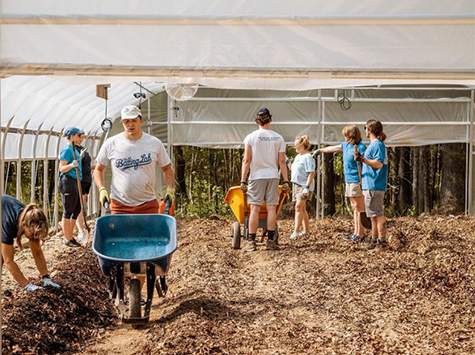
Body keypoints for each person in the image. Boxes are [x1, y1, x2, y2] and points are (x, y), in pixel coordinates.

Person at [94, 105, 175, 215]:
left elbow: (167, 169)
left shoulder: (154, 143)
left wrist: (170, 188)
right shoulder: (111, 143)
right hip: (119, 205)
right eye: (126, 121)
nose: (130, 125)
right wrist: (102, 189)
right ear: (122, 123)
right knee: (119, 233)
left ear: (140, 120)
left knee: (148, 232)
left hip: (147, 205)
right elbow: (98, 170)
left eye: (134, 120)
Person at [240, 107, 289, 251]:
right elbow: (281, 161)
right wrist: (285, 180)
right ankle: (271, 241)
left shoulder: (251, 137)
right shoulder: (278, 138)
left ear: (257, 120)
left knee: (254, 208)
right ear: (270, 119)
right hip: (273, 176)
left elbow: (246, 160)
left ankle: (251, 242)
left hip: (256, 176)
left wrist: (243, 180)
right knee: (271, 208)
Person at [314, 125, 367, 242]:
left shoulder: (360, 147)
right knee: (354, 207)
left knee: (359, 207)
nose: (344, 137)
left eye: (346, 134)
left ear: (350, 135)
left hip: (357, 180)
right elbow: (332, 148)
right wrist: (320, 150)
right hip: (349, 180)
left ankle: (361, 233)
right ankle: (356, 232)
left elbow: (366, 162)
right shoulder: (345, 145)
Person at [1, 194, 60, 291]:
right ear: (23, 225)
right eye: (33, 234)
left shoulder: (31, 218)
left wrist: (46, 277)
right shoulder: (8, 222)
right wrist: (27, 285)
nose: (34, 238)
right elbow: (8, 261)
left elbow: (37, 252)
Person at [356, 120, 388, 248]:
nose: (364, 130)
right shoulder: (373, 145)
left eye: (365, 128)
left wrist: (363, 160)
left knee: (378, 214)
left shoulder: (378, 145)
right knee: (372, 215)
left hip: (375, 184)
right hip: (370, 184)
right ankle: (374, 239)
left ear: (370, 130)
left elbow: (379, 164)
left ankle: (382, 240)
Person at [59, 127, 84, 247]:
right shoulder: (67, 150)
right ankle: (67, 238)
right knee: (68, 210)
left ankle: (71, 236)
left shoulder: (75, 149)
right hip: (67, 181)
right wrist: (71, 165)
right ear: (72, 136)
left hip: (75, 181)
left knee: (77, 208)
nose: (81, 137)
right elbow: (62, 168)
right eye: (79, 135)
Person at [289, 135, 315, 239]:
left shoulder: (308, 157)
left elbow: (311, 173)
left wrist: (307, 188)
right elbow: (294, 170)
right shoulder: (298, 157)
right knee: (302, 208)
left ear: (302, 145)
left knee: (298, 207)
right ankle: (306, 230)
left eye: (296, 144)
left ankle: (296, 231)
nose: (295, 146)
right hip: (296, 184)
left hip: (304, 185)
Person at [72, 134, 94, 245]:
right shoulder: (73, 150)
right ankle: (80, 229)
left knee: (82, 203)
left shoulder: (82, 149)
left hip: (86, 180)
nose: (82, 138)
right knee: (79, 204)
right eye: (79, 136)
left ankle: (77, 228)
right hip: (80, 180)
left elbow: (86, 166)